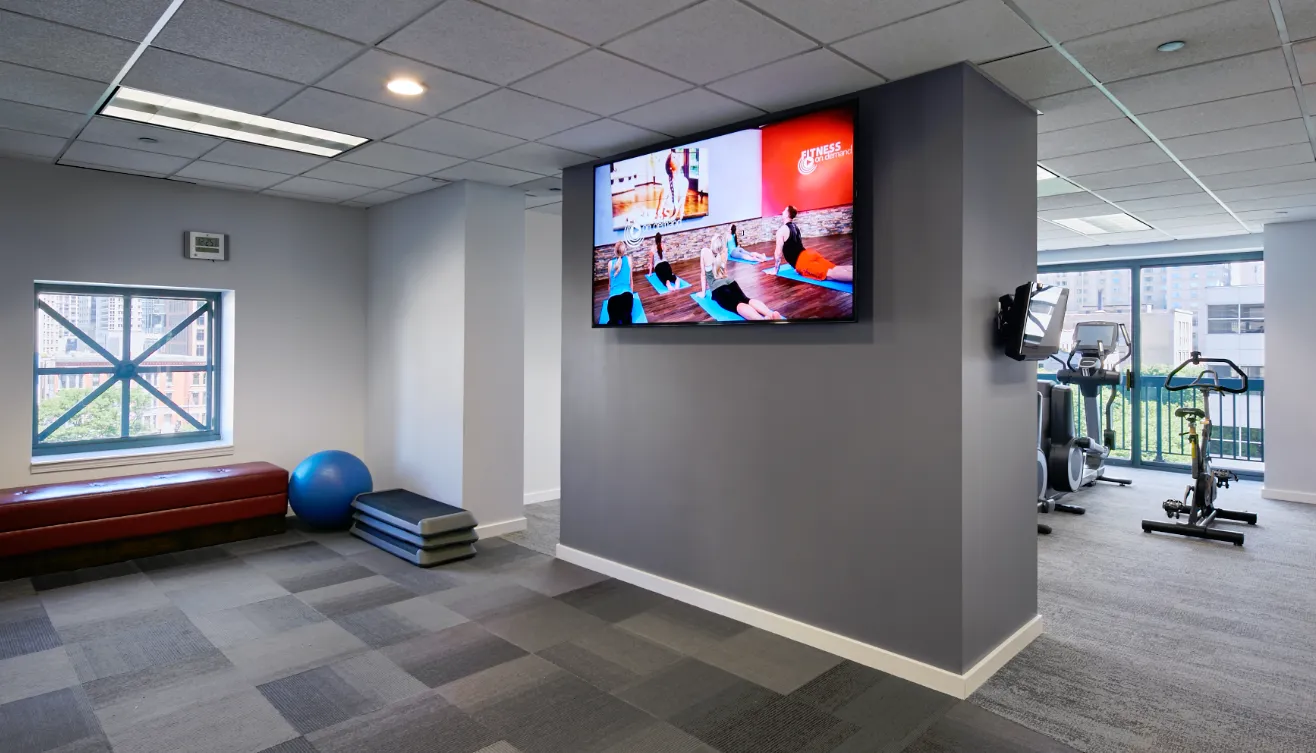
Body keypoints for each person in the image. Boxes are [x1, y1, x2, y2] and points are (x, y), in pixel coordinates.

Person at [700, 243, 783, 320]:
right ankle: (771, 314)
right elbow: (725, 272)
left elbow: (703, 275)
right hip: (730, 281)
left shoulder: (704, 253)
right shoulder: (721, 254)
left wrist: (703, 293)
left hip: (718, 286)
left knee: (736, 304)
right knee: (746, 299)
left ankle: (762, 320)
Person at [773, 205, 852, 282]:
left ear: (787, 214)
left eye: (784, 210)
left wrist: (776, 270)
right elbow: (794, 246)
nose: (782, 212)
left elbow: (778, 254)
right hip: (809, 254)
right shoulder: (795, 226)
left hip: (803, 262)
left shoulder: (781, 230)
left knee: (831, 274)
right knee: (834, 268)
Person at [606, 242, 635, 325]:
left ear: (614, 251)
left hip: (613, 300)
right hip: (627, 297)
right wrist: (632, 296)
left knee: (613, 322)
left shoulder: (610, 263)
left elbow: (609, 285)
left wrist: (610, 296)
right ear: (624, 251)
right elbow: (631, 281)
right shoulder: (629, 260)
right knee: (626, 320)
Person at [658, 149, 690, 223]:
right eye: (674, 157)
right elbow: (660, 209)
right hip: (666, 219)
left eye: (677, 156)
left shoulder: (685, 182)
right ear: (670, 167)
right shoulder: (666, 184)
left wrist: (681, 219)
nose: (678, 157)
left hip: (675, 219)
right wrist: (661, 217)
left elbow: (682, 204)